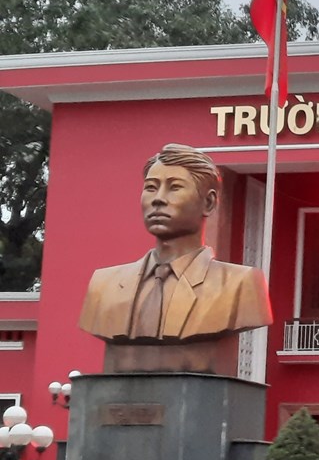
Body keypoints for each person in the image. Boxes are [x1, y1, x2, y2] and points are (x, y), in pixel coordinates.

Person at [79, 144, 272, 369]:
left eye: (175, 187)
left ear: (208, 203)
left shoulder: (240, 285)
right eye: (151, 187)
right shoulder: (104, 286)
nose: (158, 199)